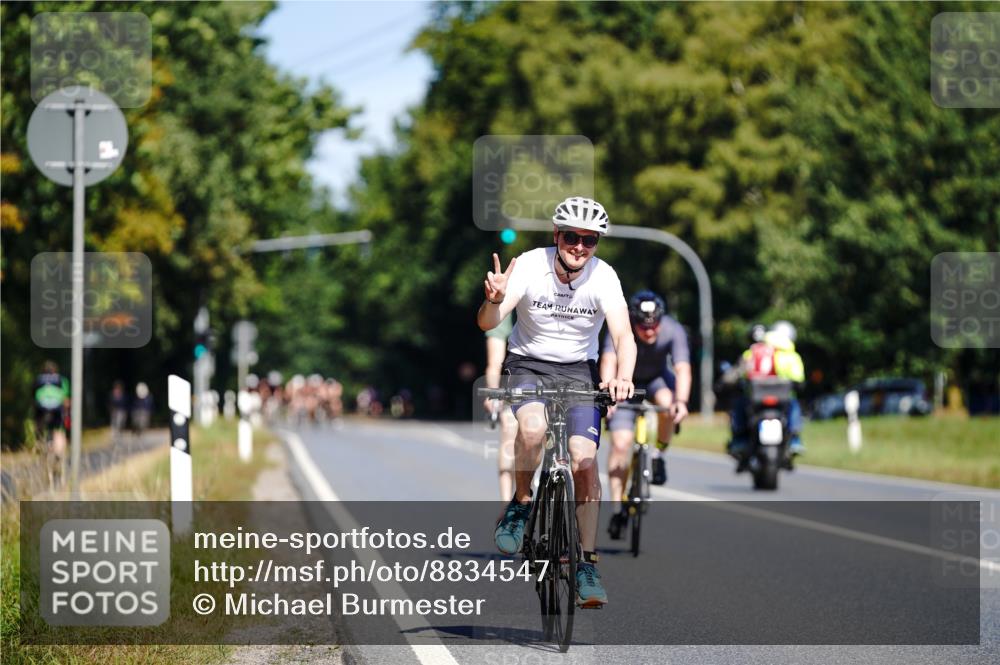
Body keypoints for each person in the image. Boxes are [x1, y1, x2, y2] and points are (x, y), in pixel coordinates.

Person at [478, 196, 637, 608]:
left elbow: (623, 337)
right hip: (528, 364)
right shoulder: (530, 264)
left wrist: (622, 377)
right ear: (557, 235)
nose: (580, 246)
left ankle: (585, 563)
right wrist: (495, 300)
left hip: (578, 371)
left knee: (584, 461)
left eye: (590, 239)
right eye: (572, 237)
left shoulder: (604, 277)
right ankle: (521, 502)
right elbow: (487, 323)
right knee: (532, 429)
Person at [600, 290, 691, 539]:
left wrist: (681, 402)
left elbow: (683, 368)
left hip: (656, 379)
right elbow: (608, 358)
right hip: (623, 382)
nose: (649, 332)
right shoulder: (621, 325)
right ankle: (618, 508)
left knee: (667, 404)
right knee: (620, 444)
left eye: (654, 326)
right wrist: (608, 394)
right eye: (643, 327)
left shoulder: (674, 330)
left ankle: (659, 454)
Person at [727, 321, 805, 463]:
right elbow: (799, 378)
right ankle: (795, 439)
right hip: (780, 399)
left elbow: (736, 375)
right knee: (794, 405)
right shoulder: (790, 355)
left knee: (739, 405)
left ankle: (740, 440)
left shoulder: (752, 352)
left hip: (759, 398)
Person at [484, 313, 518, 501]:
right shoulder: (504, 309)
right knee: (509, 437)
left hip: (547, 381)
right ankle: (507, 504)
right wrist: (493, 393)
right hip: (513, 385)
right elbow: (494, 363)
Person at [34, 361, 70, 480]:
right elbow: (66, 400)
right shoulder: (61, 380)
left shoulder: (39, 379)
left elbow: (33, 396)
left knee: (39, 429)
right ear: (55, 370)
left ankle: (41, 446)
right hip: (56, 410)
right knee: (59, 430)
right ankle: (58, 454)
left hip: (41, 409)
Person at [109, 380, 129, 445]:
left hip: (121, 411)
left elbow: (125, 403)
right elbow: (110, 403)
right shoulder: (112, 395)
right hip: (115, 411)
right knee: (114, 423)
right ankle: (115, 435)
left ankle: (119, 434)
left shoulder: (123, 395)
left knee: (120, 423)